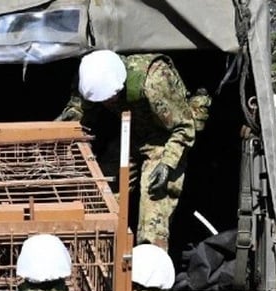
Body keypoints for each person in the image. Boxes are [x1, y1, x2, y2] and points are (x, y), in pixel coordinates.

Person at [57, 49, 208, 249]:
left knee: (153, 212)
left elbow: (184, 127)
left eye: (110, 98)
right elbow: (80, 108)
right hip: (130, 134)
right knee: (101, 197)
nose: (107, 103)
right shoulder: (91, 76)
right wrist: (69, 121)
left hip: (164, 139)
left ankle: (149, 261)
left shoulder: (155, 80)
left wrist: (168, 163)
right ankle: (100, 255)